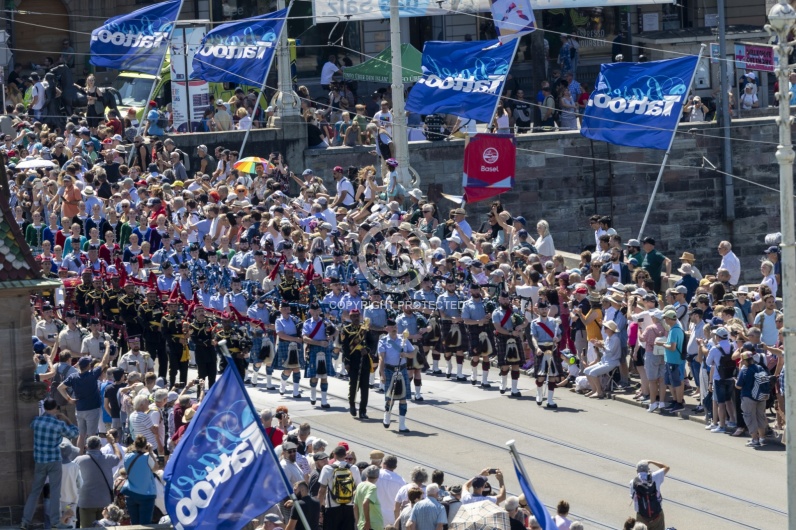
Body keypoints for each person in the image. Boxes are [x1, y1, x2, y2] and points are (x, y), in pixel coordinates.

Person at [20, 398, 80, 530]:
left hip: (40, 461)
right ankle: (55, 522)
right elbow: (75, 433)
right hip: (54, 460)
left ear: (45, 407)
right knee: (55, 492)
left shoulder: (37, 421)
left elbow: (32, 424)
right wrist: (66, 419)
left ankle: (25, 521)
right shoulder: (59, 424)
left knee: (35, 492)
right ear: (56, 408)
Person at [75, 434, 122, 526]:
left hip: (86, 501)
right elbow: (118, 456)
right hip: (104, 502)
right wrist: (113, 443)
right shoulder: (108, 458)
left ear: (86, 447)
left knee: (87, 528)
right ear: (100, 446)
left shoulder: (79, 460)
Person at [378, 319, 415, 432]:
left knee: (403, 398)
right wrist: (381, 373)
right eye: (392, 327)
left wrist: (406, 354)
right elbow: (381, 358)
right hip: (389, 370)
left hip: (402, 370)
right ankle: (387, 416)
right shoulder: (383, 341)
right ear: (386, 328)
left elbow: (413, 353)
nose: (394, 329)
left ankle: (402, 425)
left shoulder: (404, 339)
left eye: (395, 326)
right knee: (390, 398)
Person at [318, 445, 362, 530]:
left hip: (332, 508)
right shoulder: (354, 468)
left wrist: (318, 509)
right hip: (349, 508)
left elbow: (321, 491)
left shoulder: (327, 468)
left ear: (334, 455)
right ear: (345, 455)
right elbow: (359, 489)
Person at [735, 346, 770, 447]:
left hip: (748, 397)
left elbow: (738, 386)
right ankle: (762, 438)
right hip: (761, 396)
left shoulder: (744, 370)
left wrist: (735, 381)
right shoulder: (760, 367)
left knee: (750, 417)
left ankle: (755, 440)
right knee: (760, 416)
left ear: (745, 360)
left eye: (742, 360)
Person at [122, 435, 158, 525]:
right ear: (145, 445)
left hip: (131, 494)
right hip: (146, 494)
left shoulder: (127, 456)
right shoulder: (147, 457)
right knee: (145, 525)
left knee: (134, 524)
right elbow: (156, 468)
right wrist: (150, 452)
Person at [630, 460, 669, 530]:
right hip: (657, 516)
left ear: (637, 471)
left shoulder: (633, 482)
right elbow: (666, 467)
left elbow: (633, 497)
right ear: (648, 470)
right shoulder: (655, 476)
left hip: (641, 517)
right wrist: (651, 461)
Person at [377, 454, 406, 526]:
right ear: (395, 467)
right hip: (391, 518)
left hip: (375, 514)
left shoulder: (376, 475)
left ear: (383, 463)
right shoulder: (401, 481)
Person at [354, 465, 383, 530]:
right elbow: (365, 503)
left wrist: (358, 522)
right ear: (377, 476)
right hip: (373, 525)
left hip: (362, 525)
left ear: (366, 475)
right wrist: (367, 522)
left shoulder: (360, 485)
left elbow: (355, 506)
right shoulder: (372, 487)